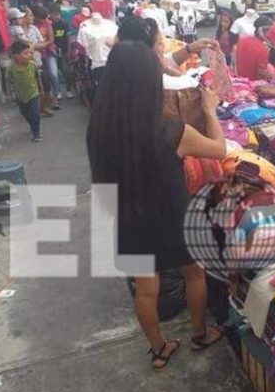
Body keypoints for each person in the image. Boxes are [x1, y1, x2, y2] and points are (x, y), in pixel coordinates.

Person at [86, 41, 227, 371]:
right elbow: (219, 150)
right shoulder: (171, 130)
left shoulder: (98, 129)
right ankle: (200, 334)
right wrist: (209, 110)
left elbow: (99, 180)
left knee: (146, 290)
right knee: (194, 273)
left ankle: (159, 350)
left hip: (128, 215)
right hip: (174, 214)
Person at [7, 40, 42, 142]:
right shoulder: (12, 68)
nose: (29, 55)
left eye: (30, 53)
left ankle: (36, 133)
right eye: (25, 53)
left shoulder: (32, 65)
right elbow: (9, 80)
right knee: (25, 113)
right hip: (20, 96)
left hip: (33, 93)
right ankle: (32, 124)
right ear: (16, 56)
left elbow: (37, 77)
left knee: (35, 114)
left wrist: (41, 90)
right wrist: (11, 93)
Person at [22, 7, 54, 116]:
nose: (32, 18)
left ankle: (43, 106)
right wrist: (32, 47)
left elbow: (43, 43)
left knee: (44, 85)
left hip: (38, 61)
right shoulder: (17, 31)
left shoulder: (34, 29)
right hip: (25, 64)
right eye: (30, 15)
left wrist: (33, 46)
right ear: (23, 18)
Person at [33, 5, 60, 107]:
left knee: (53, 74)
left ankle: (55, 97)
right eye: (41, 18)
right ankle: (44, 100)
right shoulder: (32, 25)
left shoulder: (47, 24)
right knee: (41, 77)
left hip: (48, 52)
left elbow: (51, 39)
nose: (43, 20)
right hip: (36, 53)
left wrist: (43, 45)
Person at [235, 15, 273, 81]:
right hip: (253, 83)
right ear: (262, 30)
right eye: (268, 31)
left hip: (240, 80)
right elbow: (261, 71)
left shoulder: (242, 40)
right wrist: (274, 76)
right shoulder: (262, 49)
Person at [50, 4, 73, 99]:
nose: (56, 17)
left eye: (57, 14)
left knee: (66, 71)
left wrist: (68, 51)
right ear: (50, 14)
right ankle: (58, 91)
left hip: (64, 50)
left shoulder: (64, 24)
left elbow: (68, 38)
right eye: (54, 14)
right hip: (52, 51)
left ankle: (68, 90)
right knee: (55, 72)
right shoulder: (50, 25)